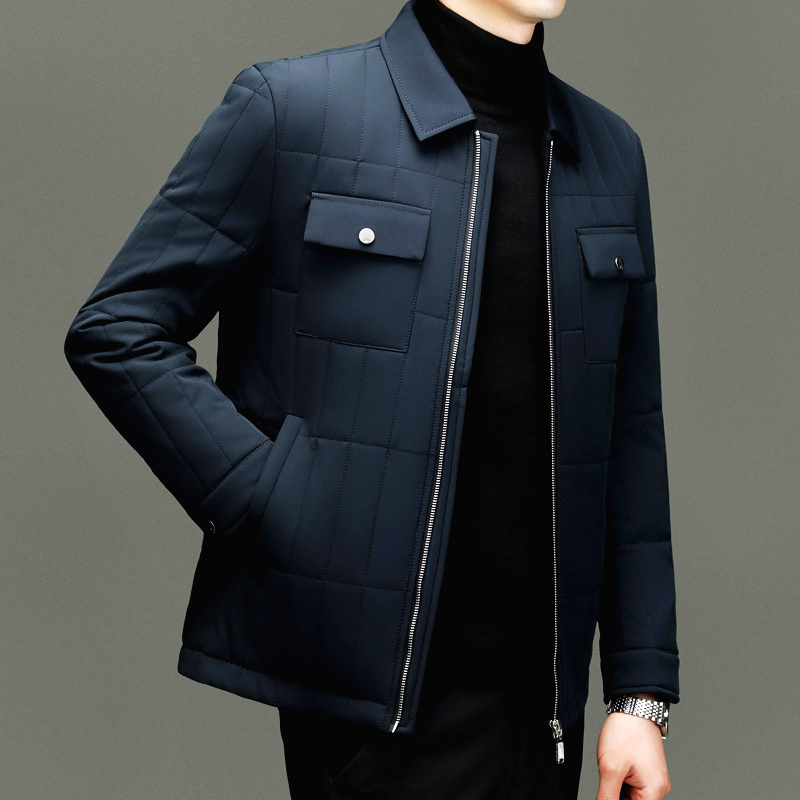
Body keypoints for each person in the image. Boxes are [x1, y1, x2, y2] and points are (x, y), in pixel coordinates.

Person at [64, 0, 679, 797]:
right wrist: (274, 501)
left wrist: (639, 696)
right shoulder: (295, 110)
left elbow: (630, 434)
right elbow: (119, 328)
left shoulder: (608, 153)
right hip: (376, 718)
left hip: (544, 714)